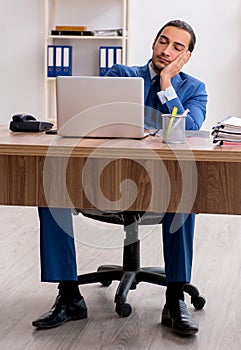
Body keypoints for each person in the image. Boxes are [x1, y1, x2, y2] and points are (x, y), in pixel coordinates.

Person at [32, 20, 207, 336]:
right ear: (153, 42)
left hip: (160, 185)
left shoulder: (194, 89)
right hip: (105, 179)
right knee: (50, 195)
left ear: (187, 56)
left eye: (177, 47)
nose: (167, 50)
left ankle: (173, 298)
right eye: (163, 41)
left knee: (184, 197)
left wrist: (167, 83)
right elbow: (96, 117)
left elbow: (189, 130)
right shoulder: (122, 75)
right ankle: (69, 296)